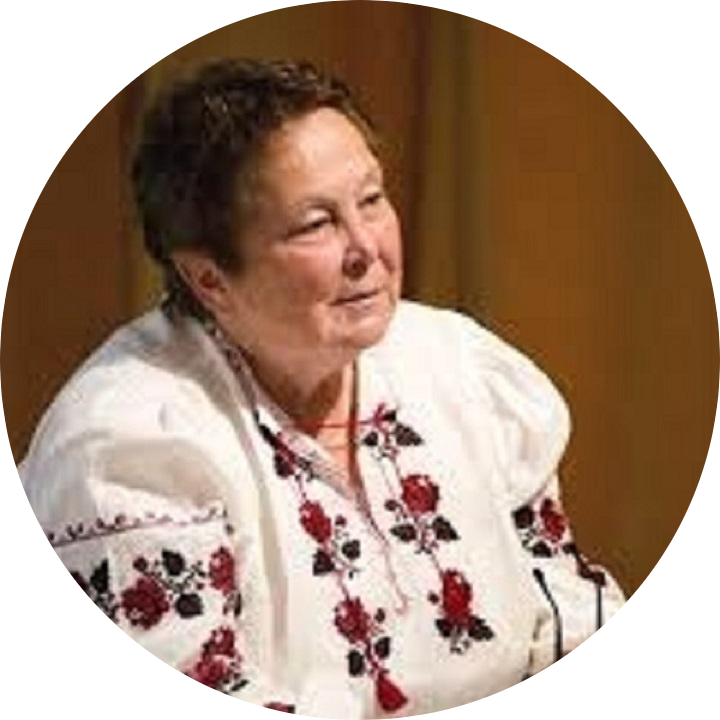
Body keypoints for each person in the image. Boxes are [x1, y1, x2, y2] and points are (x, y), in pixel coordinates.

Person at [19, 59, 624, 716]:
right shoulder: (130, 446)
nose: (367, 248)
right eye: (316, 224)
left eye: (372, 199)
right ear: (209, 278)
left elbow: (561, 604)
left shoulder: (460, 367)